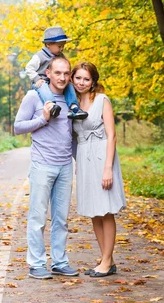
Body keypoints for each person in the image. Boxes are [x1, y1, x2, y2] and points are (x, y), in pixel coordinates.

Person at [14, 56, 79, 280]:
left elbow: (71, 135)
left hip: (64, 166)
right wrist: (42, 119)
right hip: (42, 165)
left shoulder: (72, 100)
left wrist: (78, 162)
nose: (62, 77)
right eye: (58, 73)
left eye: (66, 74)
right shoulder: (34, 96)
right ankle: (37, 263)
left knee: (61, 219)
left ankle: (60, 262)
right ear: (48, 73)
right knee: (38, 217)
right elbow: (17, 127)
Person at [71, 62, 126, 278]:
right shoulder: (72, 102)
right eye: (78, 78)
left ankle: (105, 262)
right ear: (72, 79)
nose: (81, 82)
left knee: (106, 210)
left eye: (86, 79)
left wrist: (107, 169)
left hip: (103, 155)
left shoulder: (102, 100)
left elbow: (112, 135)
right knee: (94, 211)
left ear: (93, 81)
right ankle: (107, 258)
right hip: (85, 157)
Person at [25, 26, 88, 120]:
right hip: (42, 81)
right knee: (44, 88)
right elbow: (29, 68)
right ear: (48, 44)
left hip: (55, 81)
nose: (62, 49)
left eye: (63, 46)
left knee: (69, 86)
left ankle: (74, 108)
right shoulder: (40, 56)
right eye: (59, 46)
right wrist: (37, 79)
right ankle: (51, 107)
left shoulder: (60, 56)